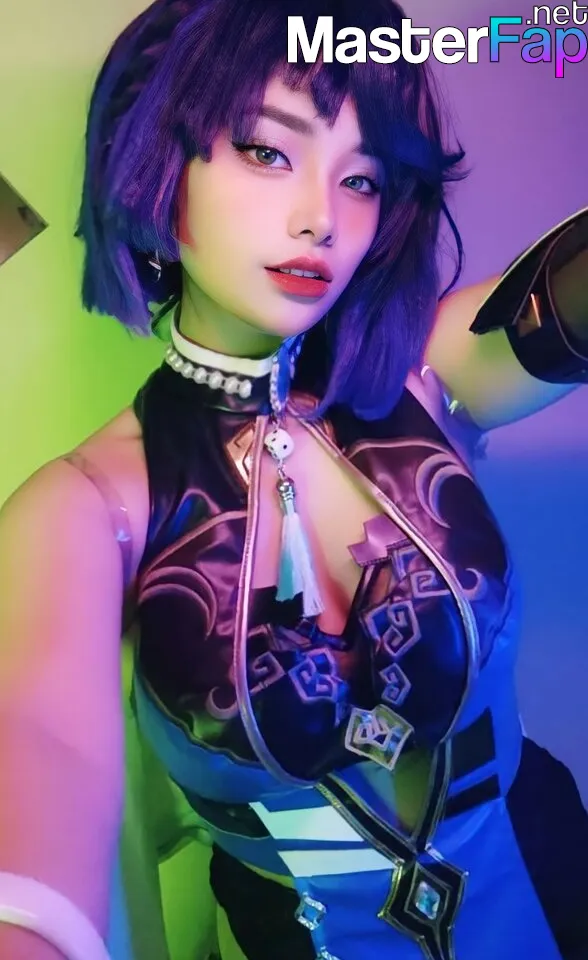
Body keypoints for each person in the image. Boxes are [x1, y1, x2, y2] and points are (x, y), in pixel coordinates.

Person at [1, 1, 587, 958]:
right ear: (156, 159)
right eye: (268, 151)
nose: (322, 217)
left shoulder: (424, 377)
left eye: (362, 177)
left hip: (550, 876)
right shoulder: (86, 507)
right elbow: (39, 764)